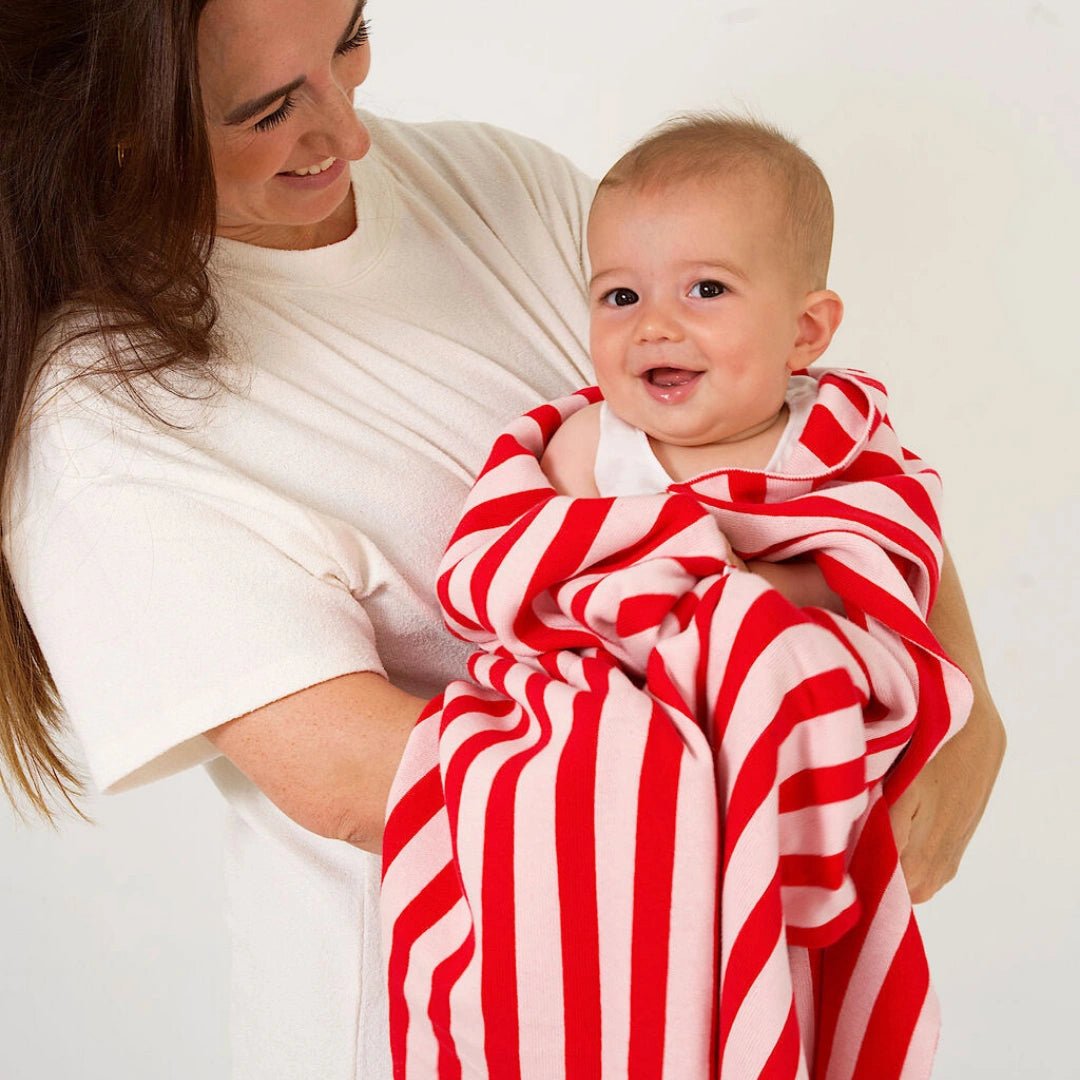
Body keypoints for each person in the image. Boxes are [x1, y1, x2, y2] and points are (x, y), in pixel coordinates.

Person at [0, 2, 1004, 1078]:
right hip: (461, 1023)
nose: (351, 132)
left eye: (349, 38)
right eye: (268, 110)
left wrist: (960, 698)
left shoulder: (495, 184)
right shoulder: (104, 413)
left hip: (743, 978)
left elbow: (803, 445)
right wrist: (771, 754)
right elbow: (348, 777)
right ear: (124, 126)